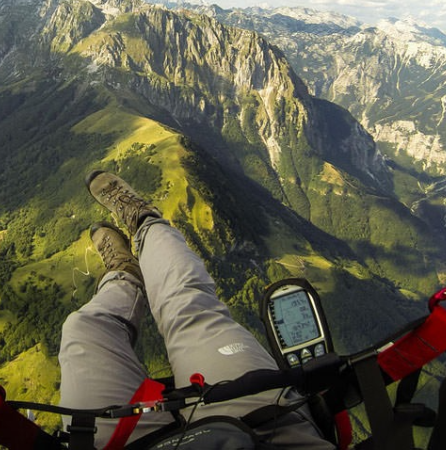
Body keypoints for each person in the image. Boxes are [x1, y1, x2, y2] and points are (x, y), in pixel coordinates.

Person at [58, 170, 336, 449]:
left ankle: (123, 275)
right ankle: (144, 221)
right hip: (265, 428)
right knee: (188, 303)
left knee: (81, 330)